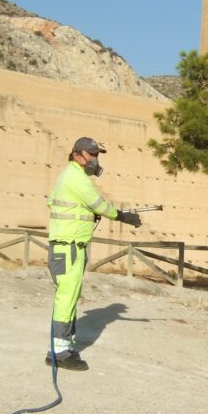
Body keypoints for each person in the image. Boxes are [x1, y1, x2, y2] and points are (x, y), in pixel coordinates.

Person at [46, 136, 142, 371]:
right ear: (77, 154)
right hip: (67, 247)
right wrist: (122, 216)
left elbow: (84, 207)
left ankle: (64, 347)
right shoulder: (75, 178)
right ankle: (58, 352)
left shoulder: (74, 177)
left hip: (72, 246)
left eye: (96, 154)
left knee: (70, 297)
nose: (95, 159)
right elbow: (98, 203)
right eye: (91, 154)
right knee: (66, 298)